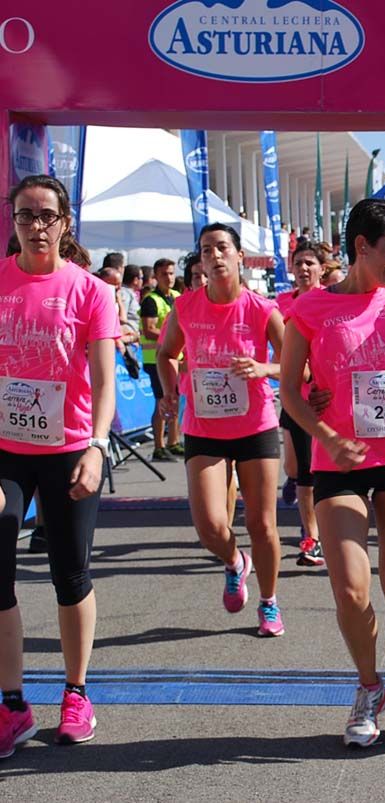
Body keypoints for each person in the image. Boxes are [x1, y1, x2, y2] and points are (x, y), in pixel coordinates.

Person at [282, 199, 385, 748]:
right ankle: (370, 688)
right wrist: (324, 436)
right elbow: (290, 391)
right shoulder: (312, 306)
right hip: (338, 460)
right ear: (361, 247)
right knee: (350, 587)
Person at [0, 175, 118, 756]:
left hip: (69, 448)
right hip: (6, 450)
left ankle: (76, 692)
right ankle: (13, 704)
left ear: (65, 222)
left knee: (69, 574)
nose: (36, 225)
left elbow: (103, 381)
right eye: (26, 215)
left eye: (47, 215)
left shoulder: (90, 291)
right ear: (13, 220)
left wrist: (97, 447)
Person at [158, 223, 287, 638]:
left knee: (263, 525)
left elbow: (297, 364)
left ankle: (268, 603)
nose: (213, 256)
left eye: (221, 248)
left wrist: (264, 368)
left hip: (255, 425)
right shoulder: (185, 307)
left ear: (239, 257)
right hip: (204, 425)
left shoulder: (262, 309)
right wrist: (171, 391)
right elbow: (166, 354)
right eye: (205, 249)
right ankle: (235, 563)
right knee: (210, 525)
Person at [275, 246, 325, 568]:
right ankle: (298, 491)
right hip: (290, 393)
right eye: (298, 263)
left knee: (306, 475)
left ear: (322, 269)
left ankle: (313, 539)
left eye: (310, 263)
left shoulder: (330, 300)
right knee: (293, 469)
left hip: (317, 399)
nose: (303, 268)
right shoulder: (280, 304)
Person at [140, 258, 182, 461]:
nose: (169, 277)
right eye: (164, 274)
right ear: (156, 277)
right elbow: (148, 330)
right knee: (161, 402)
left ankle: (173, 442)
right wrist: (173, 336)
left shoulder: (177, 297)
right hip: (155, 359)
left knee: (175, 398)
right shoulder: (150, 300)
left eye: (172, 273)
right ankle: (159, 446)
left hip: (176, 358)